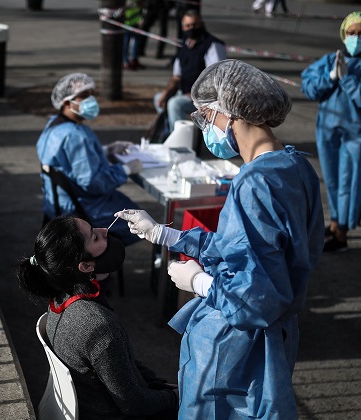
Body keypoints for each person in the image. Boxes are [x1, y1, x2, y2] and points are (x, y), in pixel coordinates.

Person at [117, 59, 324, 418]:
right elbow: (246, 250)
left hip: (236, 343)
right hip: (273, 337)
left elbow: (254, 300)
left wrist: (198, 281)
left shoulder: (254, 183)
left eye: (206, 116)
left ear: (231, 113)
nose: (205, 127)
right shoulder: (296, 167)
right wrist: (165, 234)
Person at [16, 215, 179, 419]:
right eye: (94, 237)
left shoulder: (59, 298)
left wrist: (157, 384)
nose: (104, 230)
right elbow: (136, 405)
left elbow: (121, 365)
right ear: (85, 267)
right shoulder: (99, 325)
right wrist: (176, 396)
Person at [301, 11, 361, 252]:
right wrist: (331, 76)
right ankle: (334, 223)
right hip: (329, 131)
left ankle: (342, 233)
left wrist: (346, 80)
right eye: (352, 33)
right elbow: (309, 86)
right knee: (332, 180)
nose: (356, 37)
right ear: (344, 34)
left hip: (357, 136)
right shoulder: (331, 60)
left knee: (348, 183)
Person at [37, 73, 143, 246]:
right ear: (66, 102)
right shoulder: (76, 135)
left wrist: (104, 150)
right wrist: (126, 169)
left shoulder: (53, 126)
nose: (91, 100)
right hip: (83, 210)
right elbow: (94, 183)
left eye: (92, 94)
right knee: (141, 220)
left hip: (58, 205)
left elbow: (66, 160)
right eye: (84, 96)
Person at [154, 9, 226, 133]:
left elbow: (216, 77)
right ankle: (168, 133)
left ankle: (181, 140)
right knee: (159, 98)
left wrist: (196, 95)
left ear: (201, 24)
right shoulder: (184, 46)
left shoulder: (212, 45)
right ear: (183, 27)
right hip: (185, 92)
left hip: (204, 98)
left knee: (175, 104)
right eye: (188, 26)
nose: (191, 28)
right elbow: (176, 76)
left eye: (194, 25)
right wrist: (166, 92)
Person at [122, 0, 145, 70]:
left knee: (135, 42)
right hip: (127, 22)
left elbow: (141, 7)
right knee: (126, 43)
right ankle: (125, 61)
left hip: (136, 22)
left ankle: (134, 59)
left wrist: (141, 18)